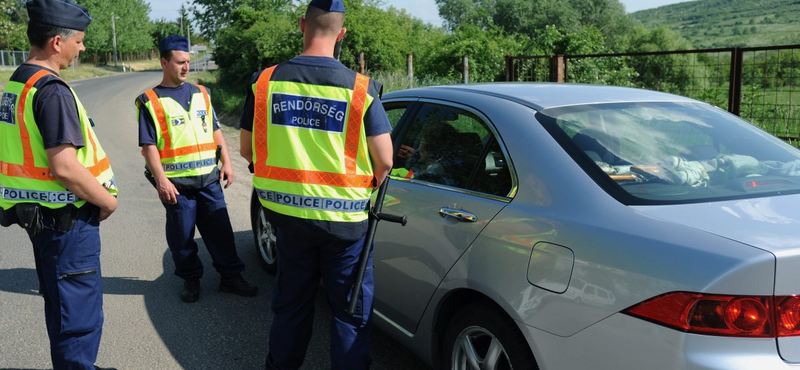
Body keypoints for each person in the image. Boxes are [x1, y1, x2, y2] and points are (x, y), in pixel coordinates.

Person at [238, 0, 393, 368]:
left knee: (291, 308)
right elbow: (385, 160)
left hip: (288, 222)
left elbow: (247, 150)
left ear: (301, 25)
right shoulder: (360, 89)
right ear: (342, 34)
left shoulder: (264, 82)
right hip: (346, 228)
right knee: (349, 315)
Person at [0, 1, 118, 369]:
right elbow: (65, 167)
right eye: (79, 41)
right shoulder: (51, 90)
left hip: (43, 223)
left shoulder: (18, 81)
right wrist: (108, 202)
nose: (82, 48)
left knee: (62, 310)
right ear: (56, 41)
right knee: (78, 321)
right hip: (67, 224)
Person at [135, 35, 257, 303]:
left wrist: (227, 162)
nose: (186, 67)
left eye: (188, 62)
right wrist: (161, 181)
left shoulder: (202, 93)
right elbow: (149, 146)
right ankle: (190, 279)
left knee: (221, 232)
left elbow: (215, 130)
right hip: (177, 186)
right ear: (164, 62)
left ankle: (230, 276)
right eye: (180, 62)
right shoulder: (150, 101)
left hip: (209, 180)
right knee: (182, 237)